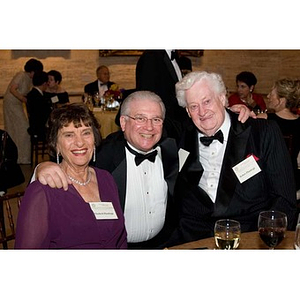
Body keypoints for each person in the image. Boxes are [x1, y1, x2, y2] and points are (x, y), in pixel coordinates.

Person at [33, 92, 253, 249]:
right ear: (123, 122)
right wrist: (43, 166)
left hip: (166, 245)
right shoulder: (104, 154)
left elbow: (207, 125)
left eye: (156, 119)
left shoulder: (172, 147)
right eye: (140, 118)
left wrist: (231, 113)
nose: (149, 127)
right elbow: (73, 154)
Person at [165, 71, 298, 246]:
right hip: (192, 239)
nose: (202, 112)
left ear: (222, 99)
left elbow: (285, 200)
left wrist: (264, 240)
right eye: (193, 106)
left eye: (207, 101)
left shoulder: (262, 133)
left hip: (248, 238)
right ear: (187, 112)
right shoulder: (181, 136)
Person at [15, 103, 127, 249]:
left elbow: (120, 239)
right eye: (69, 135)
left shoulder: (106, 178)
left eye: (86, 133)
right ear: (56, 144)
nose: (80, 142)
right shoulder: (42, 190)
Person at [135, 50, 189, 142]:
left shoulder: (175, 58)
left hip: (176, 129)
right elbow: (147, 98)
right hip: (163, 131)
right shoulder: (151, 57)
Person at [257, 78, 300, 190]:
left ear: (281, 100)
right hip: (292, 180)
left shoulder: (264, 120)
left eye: (272, 93)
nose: (268, 96)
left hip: (268, 181)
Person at [3, 58, 43, 164]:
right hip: (11, 103)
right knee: (22, 129)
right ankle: (20, 157)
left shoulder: (29, 79)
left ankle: (21, 157)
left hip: (17, 104)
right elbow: (12, 89)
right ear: (33, 71)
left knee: (19, 130)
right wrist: (23, 99)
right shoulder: (21, 75)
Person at [26, 71, 52, 142]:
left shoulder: (34, 94)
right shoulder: (35, 96)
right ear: (44, 83)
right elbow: (43, 113)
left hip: (37, 126)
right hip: (39, 128)